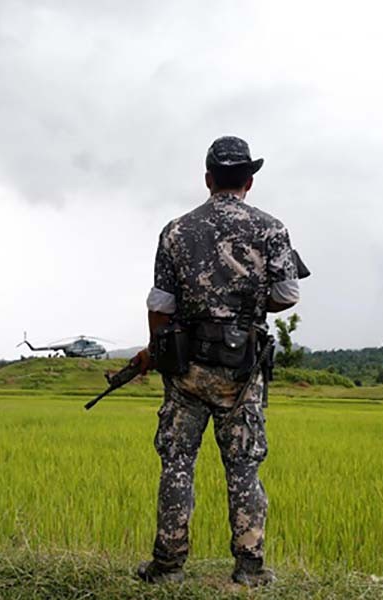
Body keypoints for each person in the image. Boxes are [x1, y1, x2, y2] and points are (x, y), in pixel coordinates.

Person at [134, 136, 302, 586]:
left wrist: (159, 350)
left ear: (208, 179)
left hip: (186, 366)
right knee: (243, 465)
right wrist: (247, 307)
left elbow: (161, 303)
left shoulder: (176, 230)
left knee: (177, 463)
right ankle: (249, 569)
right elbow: (287, 295)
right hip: (241, 370)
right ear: (249, 181)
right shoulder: (271, 228)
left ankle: (167, 567)